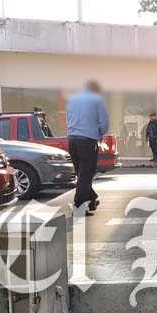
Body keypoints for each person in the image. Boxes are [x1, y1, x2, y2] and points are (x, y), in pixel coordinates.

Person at [66, 80, 109, 214]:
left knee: (82, 173)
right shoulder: (96, 100)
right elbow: (104, 123)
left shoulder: (72, 100)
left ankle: (91, 199)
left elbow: (68, 119)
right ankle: (78, 207)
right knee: (86, 174)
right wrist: (99, 134)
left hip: (72, 140)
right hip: (87, 140)